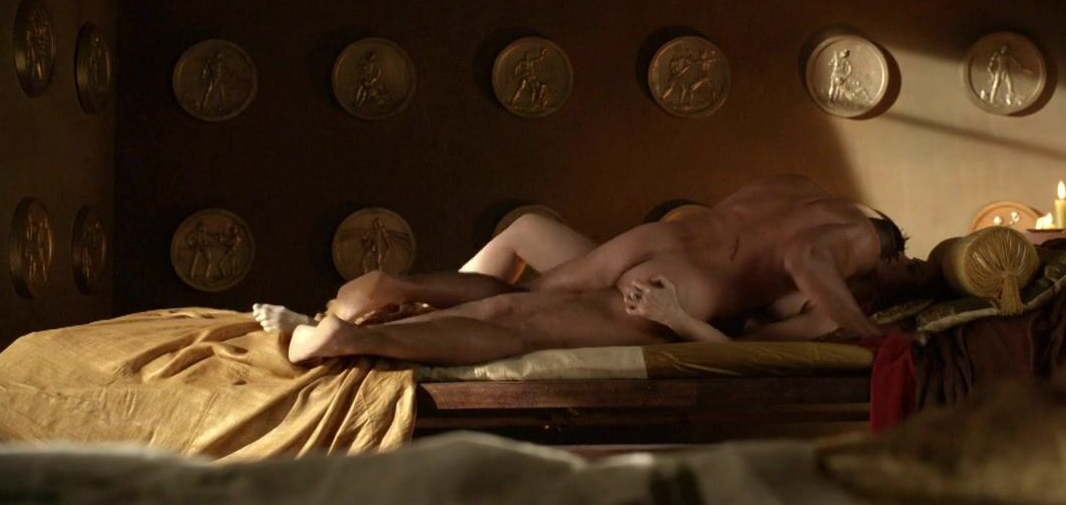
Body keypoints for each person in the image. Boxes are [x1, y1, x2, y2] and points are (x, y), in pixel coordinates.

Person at [255, 175, 939, 365]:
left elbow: (757, 330)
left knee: (526, 294)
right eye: (906, 266)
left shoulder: (800, 189)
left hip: (656, 244)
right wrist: (872, 334)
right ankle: (357, 335)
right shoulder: (858, 240)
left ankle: (388, 301)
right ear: (891, 249)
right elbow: (800, 265)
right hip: (682, 288)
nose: (902, 272)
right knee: (516, 322)